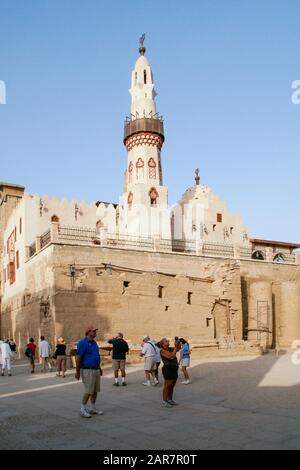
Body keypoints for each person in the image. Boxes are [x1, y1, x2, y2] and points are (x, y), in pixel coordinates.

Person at [75, 325, 104, 418]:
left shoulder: (94, 343)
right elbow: (78, 358)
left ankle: (93, 407)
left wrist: (99, 368)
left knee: (95, 390)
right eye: (93, 331)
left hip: (95, 369)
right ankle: (82, 409)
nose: (95, 332)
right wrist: (77, 371)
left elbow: (95, 356)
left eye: (95, 331)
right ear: (88, 332)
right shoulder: (83, 343)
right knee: (88, 391)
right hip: (87, 370)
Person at [160, 337, 181, 408]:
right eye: (166, 341)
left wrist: (177, 343)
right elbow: (171, 356)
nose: (168, 341)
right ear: (162, 344)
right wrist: (175, 347)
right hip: (168, 369)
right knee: (167, 385)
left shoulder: (170, 348)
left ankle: (170, 399)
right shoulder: (162, 350)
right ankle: (164, 400)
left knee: (172, 385)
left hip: (174, 368)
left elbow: (178, 349)